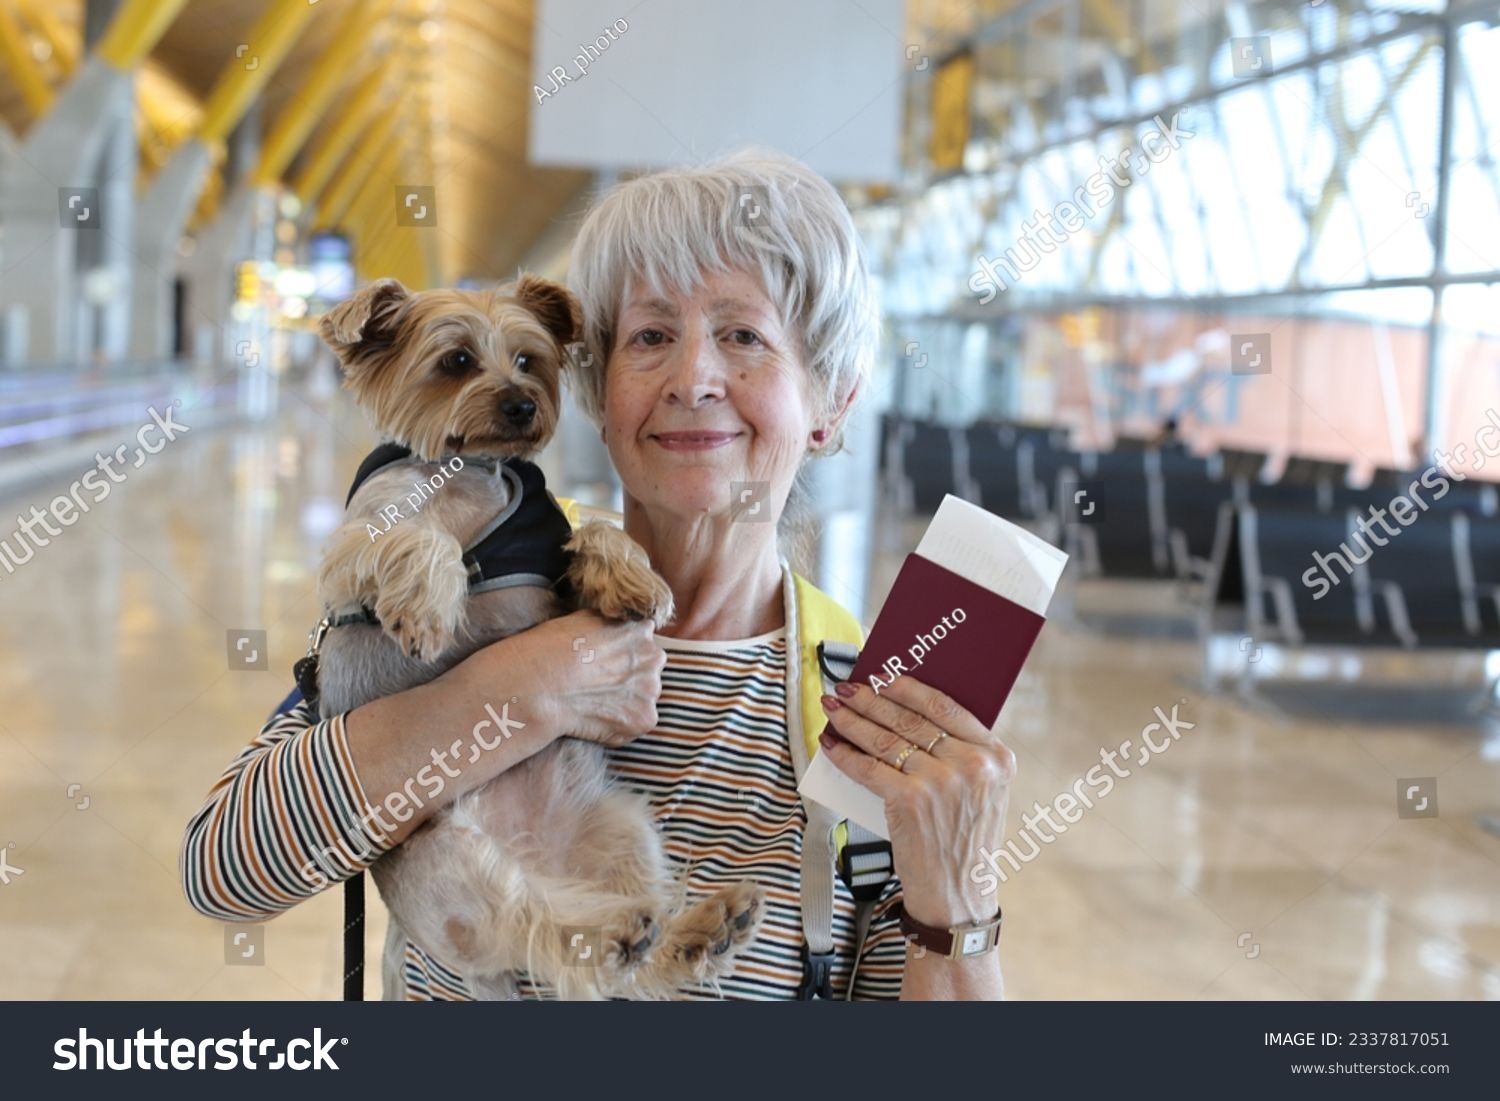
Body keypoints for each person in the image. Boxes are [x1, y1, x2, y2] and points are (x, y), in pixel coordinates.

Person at [181, 150, 1015, 1000]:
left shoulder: (871, 693)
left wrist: (957, 902)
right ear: (597, 390)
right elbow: (223, 871)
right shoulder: (479, 581)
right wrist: (509, 694)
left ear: (831, 402)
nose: (694, 379)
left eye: (744, 336)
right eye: (651, 336)